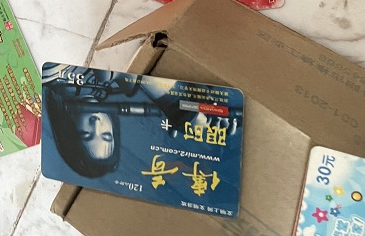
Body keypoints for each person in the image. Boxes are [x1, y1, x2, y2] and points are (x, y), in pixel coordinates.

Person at [42, 65, 240, 179]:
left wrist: (184, 113)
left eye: (86, 133)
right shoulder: (106, 88)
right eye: (106, 135)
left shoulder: (54, 76)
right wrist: (192, 114)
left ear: (68, 130)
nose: (96, 123)